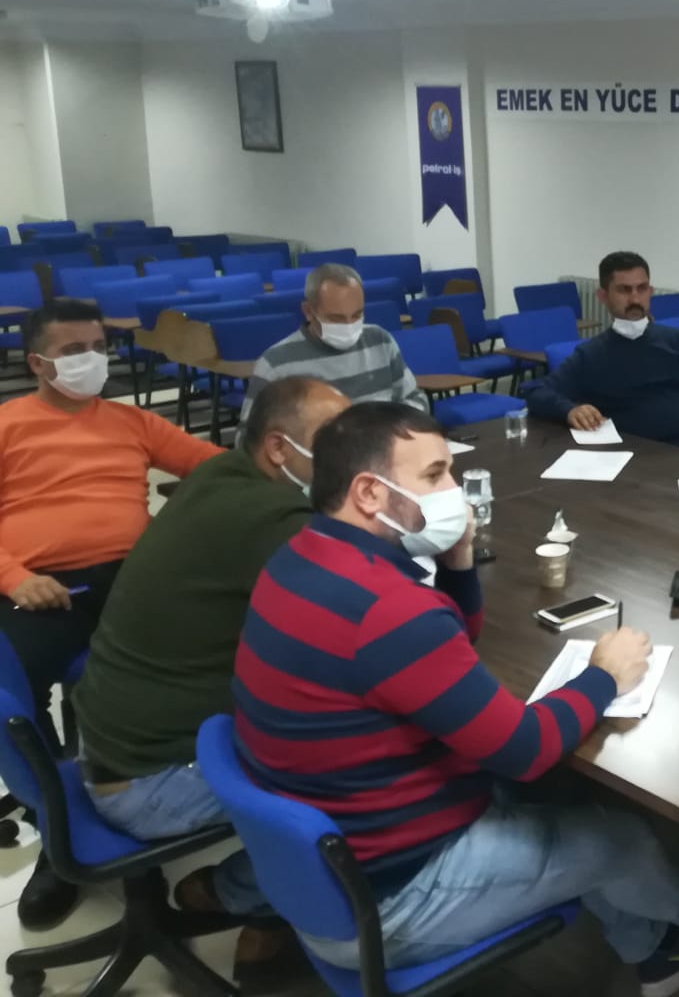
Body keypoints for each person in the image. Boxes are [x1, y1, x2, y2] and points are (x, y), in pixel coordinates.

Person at [233, 403, 679, 994]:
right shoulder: (390, 610)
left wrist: (457, 562)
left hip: (328, 870)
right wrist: (605, 675)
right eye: (435, 475)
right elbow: (526, 749)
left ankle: (654, 951)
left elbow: (447, 643)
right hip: (389, 901)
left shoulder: (300, 556)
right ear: (369, 493)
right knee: (621, 839)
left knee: (559, 794)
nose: (453, 489)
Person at [70, 376, 349, 983]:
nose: (351, 450)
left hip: (113, 741)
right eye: (334, 439)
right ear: (279, 448)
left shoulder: (221, 474)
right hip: (150, 781)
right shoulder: (271, 516)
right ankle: (241, 893)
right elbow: (361, 606)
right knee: (367, 768)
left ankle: (249, 890)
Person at [0, 298, 223, 929]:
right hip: (40, 588)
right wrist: (16, 578)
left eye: (98, 347)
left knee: (204, 662)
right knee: (13, 703)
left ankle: (167, 792)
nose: (91, 360)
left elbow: (214, 466)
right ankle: (58, 830)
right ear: (37, 362)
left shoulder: (131, 421)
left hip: (132, 581)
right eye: (74, 351)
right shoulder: (8, 424)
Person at [526, 251, 679, 449]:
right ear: (603, 296)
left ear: (650, 292)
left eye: (642, 289)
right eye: (624, 290)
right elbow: (537, 393)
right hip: (630, 457)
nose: (635, 299)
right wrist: (569, 410)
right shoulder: (591, 354)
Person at [240, 263, 425, 423]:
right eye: (336, 319)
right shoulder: (276, 364)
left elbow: (415, 399)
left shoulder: (380, 341)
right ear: (308, 311)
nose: (349, 325)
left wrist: (391, 429)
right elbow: (249, 439)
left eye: (357, 315)